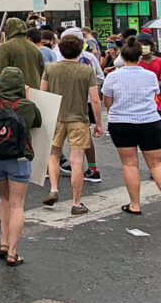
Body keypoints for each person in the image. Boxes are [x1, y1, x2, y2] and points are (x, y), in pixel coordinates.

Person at [0, 67, 41, 267]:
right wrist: (26, 96)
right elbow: (38, 122)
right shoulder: (27, 105)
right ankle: (13, 253)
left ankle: (3, 241)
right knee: (18, 204)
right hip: (19, 158)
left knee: (4, 198)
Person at [41, 35, 102, 213]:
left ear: (60, 49)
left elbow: (43, 93)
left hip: (56, 117)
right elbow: (95, 99)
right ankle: (76, 203)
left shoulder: (50, 69)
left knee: (53, 155)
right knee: (76, 161)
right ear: (80, 50)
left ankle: (53, 189)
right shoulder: (86, 71)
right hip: (79, 118)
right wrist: (97, 123)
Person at [101, 42, 161, 215]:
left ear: (122, 57)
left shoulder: (113, 77)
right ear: (140, 57)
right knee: (156, 164)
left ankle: (135, 204)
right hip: (149, 121)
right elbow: (155, 93)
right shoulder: (150, 76)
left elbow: (108, 102)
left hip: (121, 122)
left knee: (129, 164)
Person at [0, 18, 45, 89]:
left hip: (15, 91)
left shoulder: (5, 47)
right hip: (34, 90)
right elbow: (41, 70)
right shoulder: (34, 47)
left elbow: (1, 71)